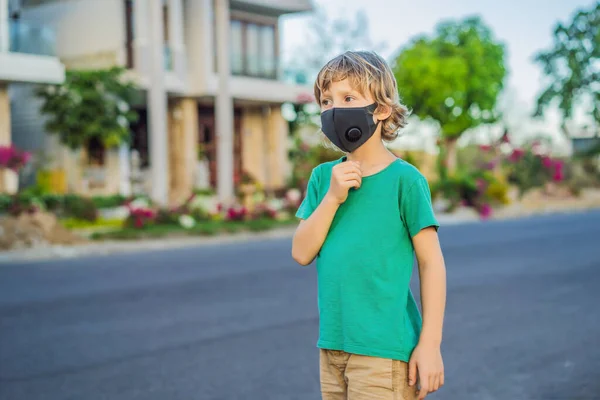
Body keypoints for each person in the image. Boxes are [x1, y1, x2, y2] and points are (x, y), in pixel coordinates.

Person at [292, 51, 447, 400]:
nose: (334, 110)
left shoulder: (405, 181)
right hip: (333, 347)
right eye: (326, 101)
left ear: (380, 109)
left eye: (349, 98)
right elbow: (301, 252)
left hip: (384, 353)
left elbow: (431, 263)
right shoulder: (322, 179)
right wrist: (332, 197)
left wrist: (430, 344)